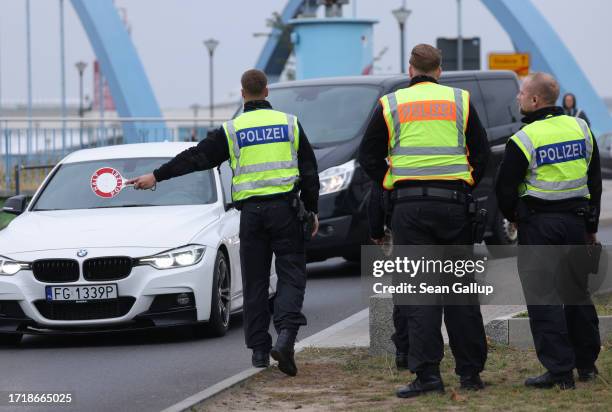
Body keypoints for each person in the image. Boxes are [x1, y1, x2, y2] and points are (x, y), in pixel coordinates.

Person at [128, 69, 320, 377]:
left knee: (255, 282)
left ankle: (259, 351)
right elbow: (310, 173)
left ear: (243, 94)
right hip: (286, 211)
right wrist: (312, 211)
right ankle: (286, 337)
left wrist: (156, 176)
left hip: (252, 217)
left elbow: (195, 157)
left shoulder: (232, 130)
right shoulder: (290, 124)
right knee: (291, 277)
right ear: (267, 91)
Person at [359, 44, 490, 398]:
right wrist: (463, 184)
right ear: (440, 70)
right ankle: (470, 373)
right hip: (453, 207)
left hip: (410, 210)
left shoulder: (392, 104)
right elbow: (481, 153)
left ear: (411, 69)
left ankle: (428, 375)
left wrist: (392, 181)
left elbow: (368, 156)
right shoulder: (459, 101)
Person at [496, 72, 601, 389]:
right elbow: (594, 180)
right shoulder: (580, 128)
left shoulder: (525, 138)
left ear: (534, 100)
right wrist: (590, 226)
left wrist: (515, 216)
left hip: (539, 225)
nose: (518, 98)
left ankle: (559, 371)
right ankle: (586, 366)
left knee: (544, 299)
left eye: (522, 93)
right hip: (575, 222)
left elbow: (504, 188)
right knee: (577, 294)